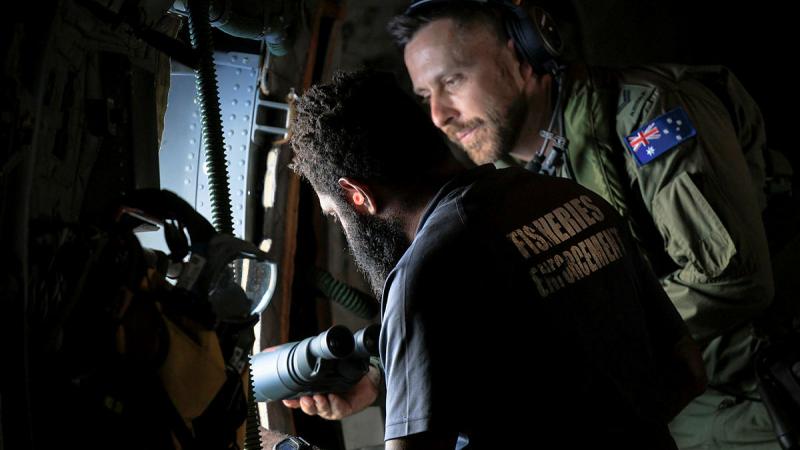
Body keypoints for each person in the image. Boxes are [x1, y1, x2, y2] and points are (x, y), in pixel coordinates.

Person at [386, 1, 776, 449]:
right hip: (668, 412)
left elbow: (734, 278)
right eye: (424, 97)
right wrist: (386, 377)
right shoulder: (503, 188)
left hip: (756, 390)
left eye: (452, 81)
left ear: (523, 53)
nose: (439, 115)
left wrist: (589, 338)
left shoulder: (647, 113)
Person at [285, 69, 705, 449]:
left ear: (358, 196)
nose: (343, 227)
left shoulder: (422, 276)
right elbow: (688, 369)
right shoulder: (570, 196)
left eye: (335, 214)